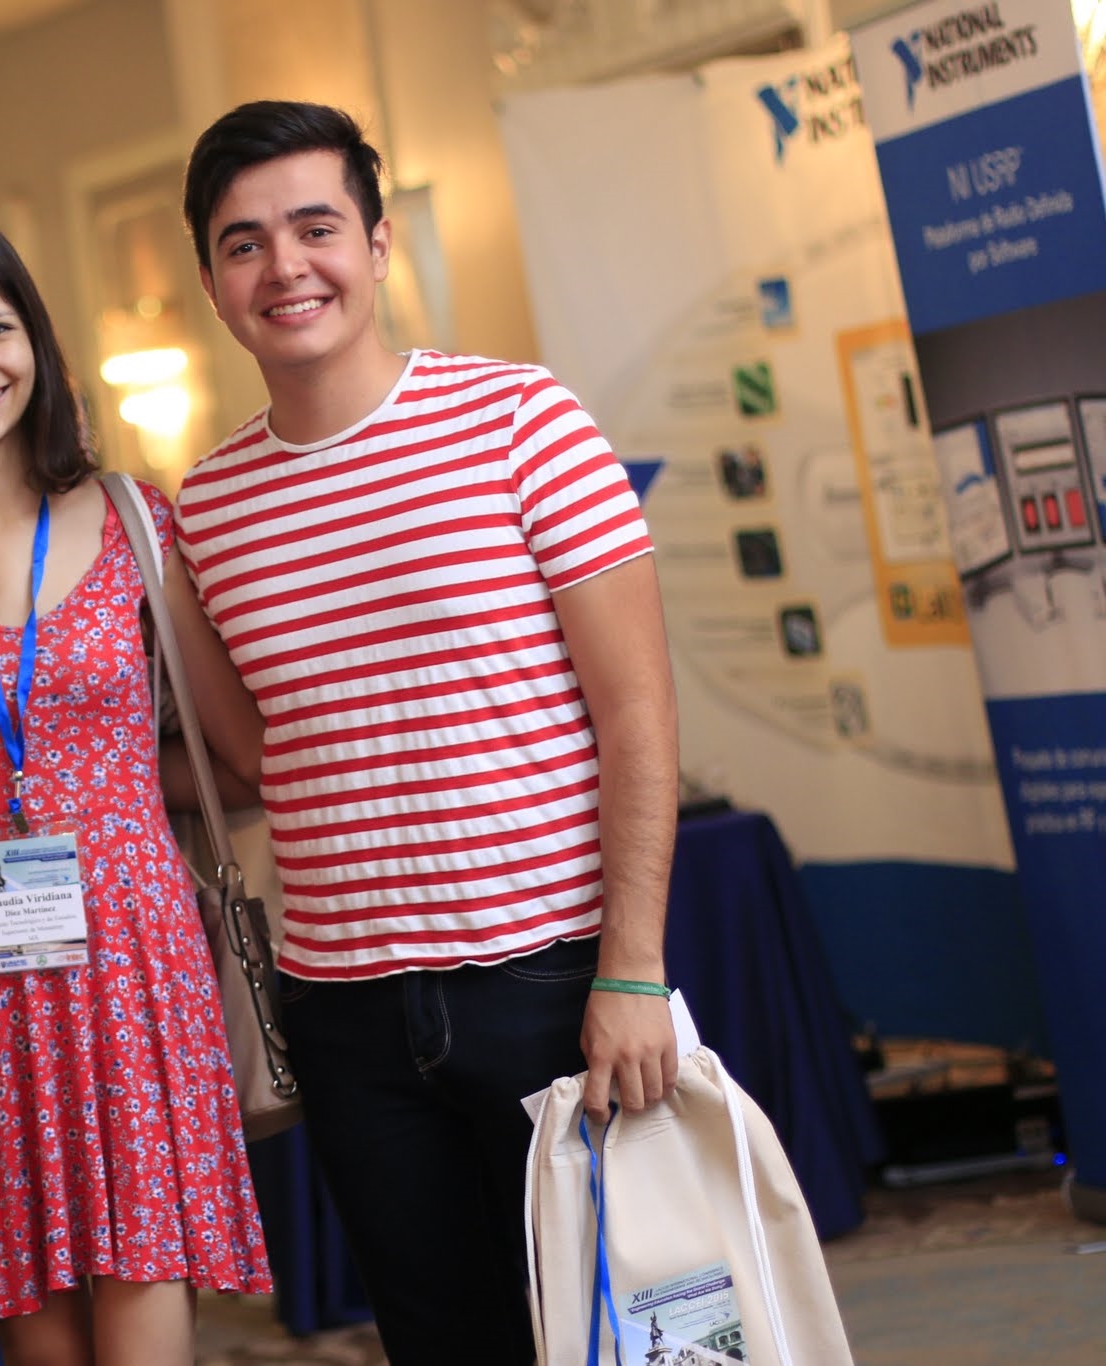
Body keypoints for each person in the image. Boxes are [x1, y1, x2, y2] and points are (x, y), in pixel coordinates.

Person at [175, 101, 682, 1365]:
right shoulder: (206, 504)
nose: (283, 267)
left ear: (379, 239)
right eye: (244, 244)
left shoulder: (521, 419)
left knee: (638, 1329)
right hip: (343, 1007)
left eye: (313, 227)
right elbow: (251, 754)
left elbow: (636, 710)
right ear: (210, 282)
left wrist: (630, 966)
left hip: (549, 977)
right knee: (440, 1339)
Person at [0, 214, 272, 1363]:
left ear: (37, 342)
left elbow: (237, 760)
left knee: (142, 1293)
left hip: (131, 948)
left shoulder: (135, 521)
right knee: (35, 1330)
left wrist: (114, 789)